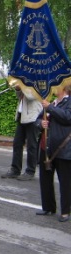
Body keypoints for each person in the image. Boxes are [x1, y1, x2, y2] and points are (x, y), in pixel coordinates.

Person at [37, 85, 71, 222]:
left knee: (65, 181)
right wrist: (40, 123)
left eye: (56, 86)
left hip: (64, 148)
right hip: (47, 146)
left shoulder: (67, 102)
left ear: (64, 87)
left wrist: (50, 108)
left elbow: (67, 117)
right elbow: (37, 119)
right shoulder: (52, 102)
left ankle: (65, 211)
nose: (52, 88)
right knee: (45, 178)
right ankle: (48, 207)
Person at [1, 86, 42, 180]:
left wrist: (22, 86)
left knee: (31, 145)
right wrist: (18, 89)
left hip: (33, 117)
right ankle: (15, 170)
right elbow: (19, 96)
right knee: (17, 144)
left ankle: (30, 171)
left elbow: (31, 96)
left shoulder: (38, 82)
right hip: (22, 115)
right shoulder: (25, 82)